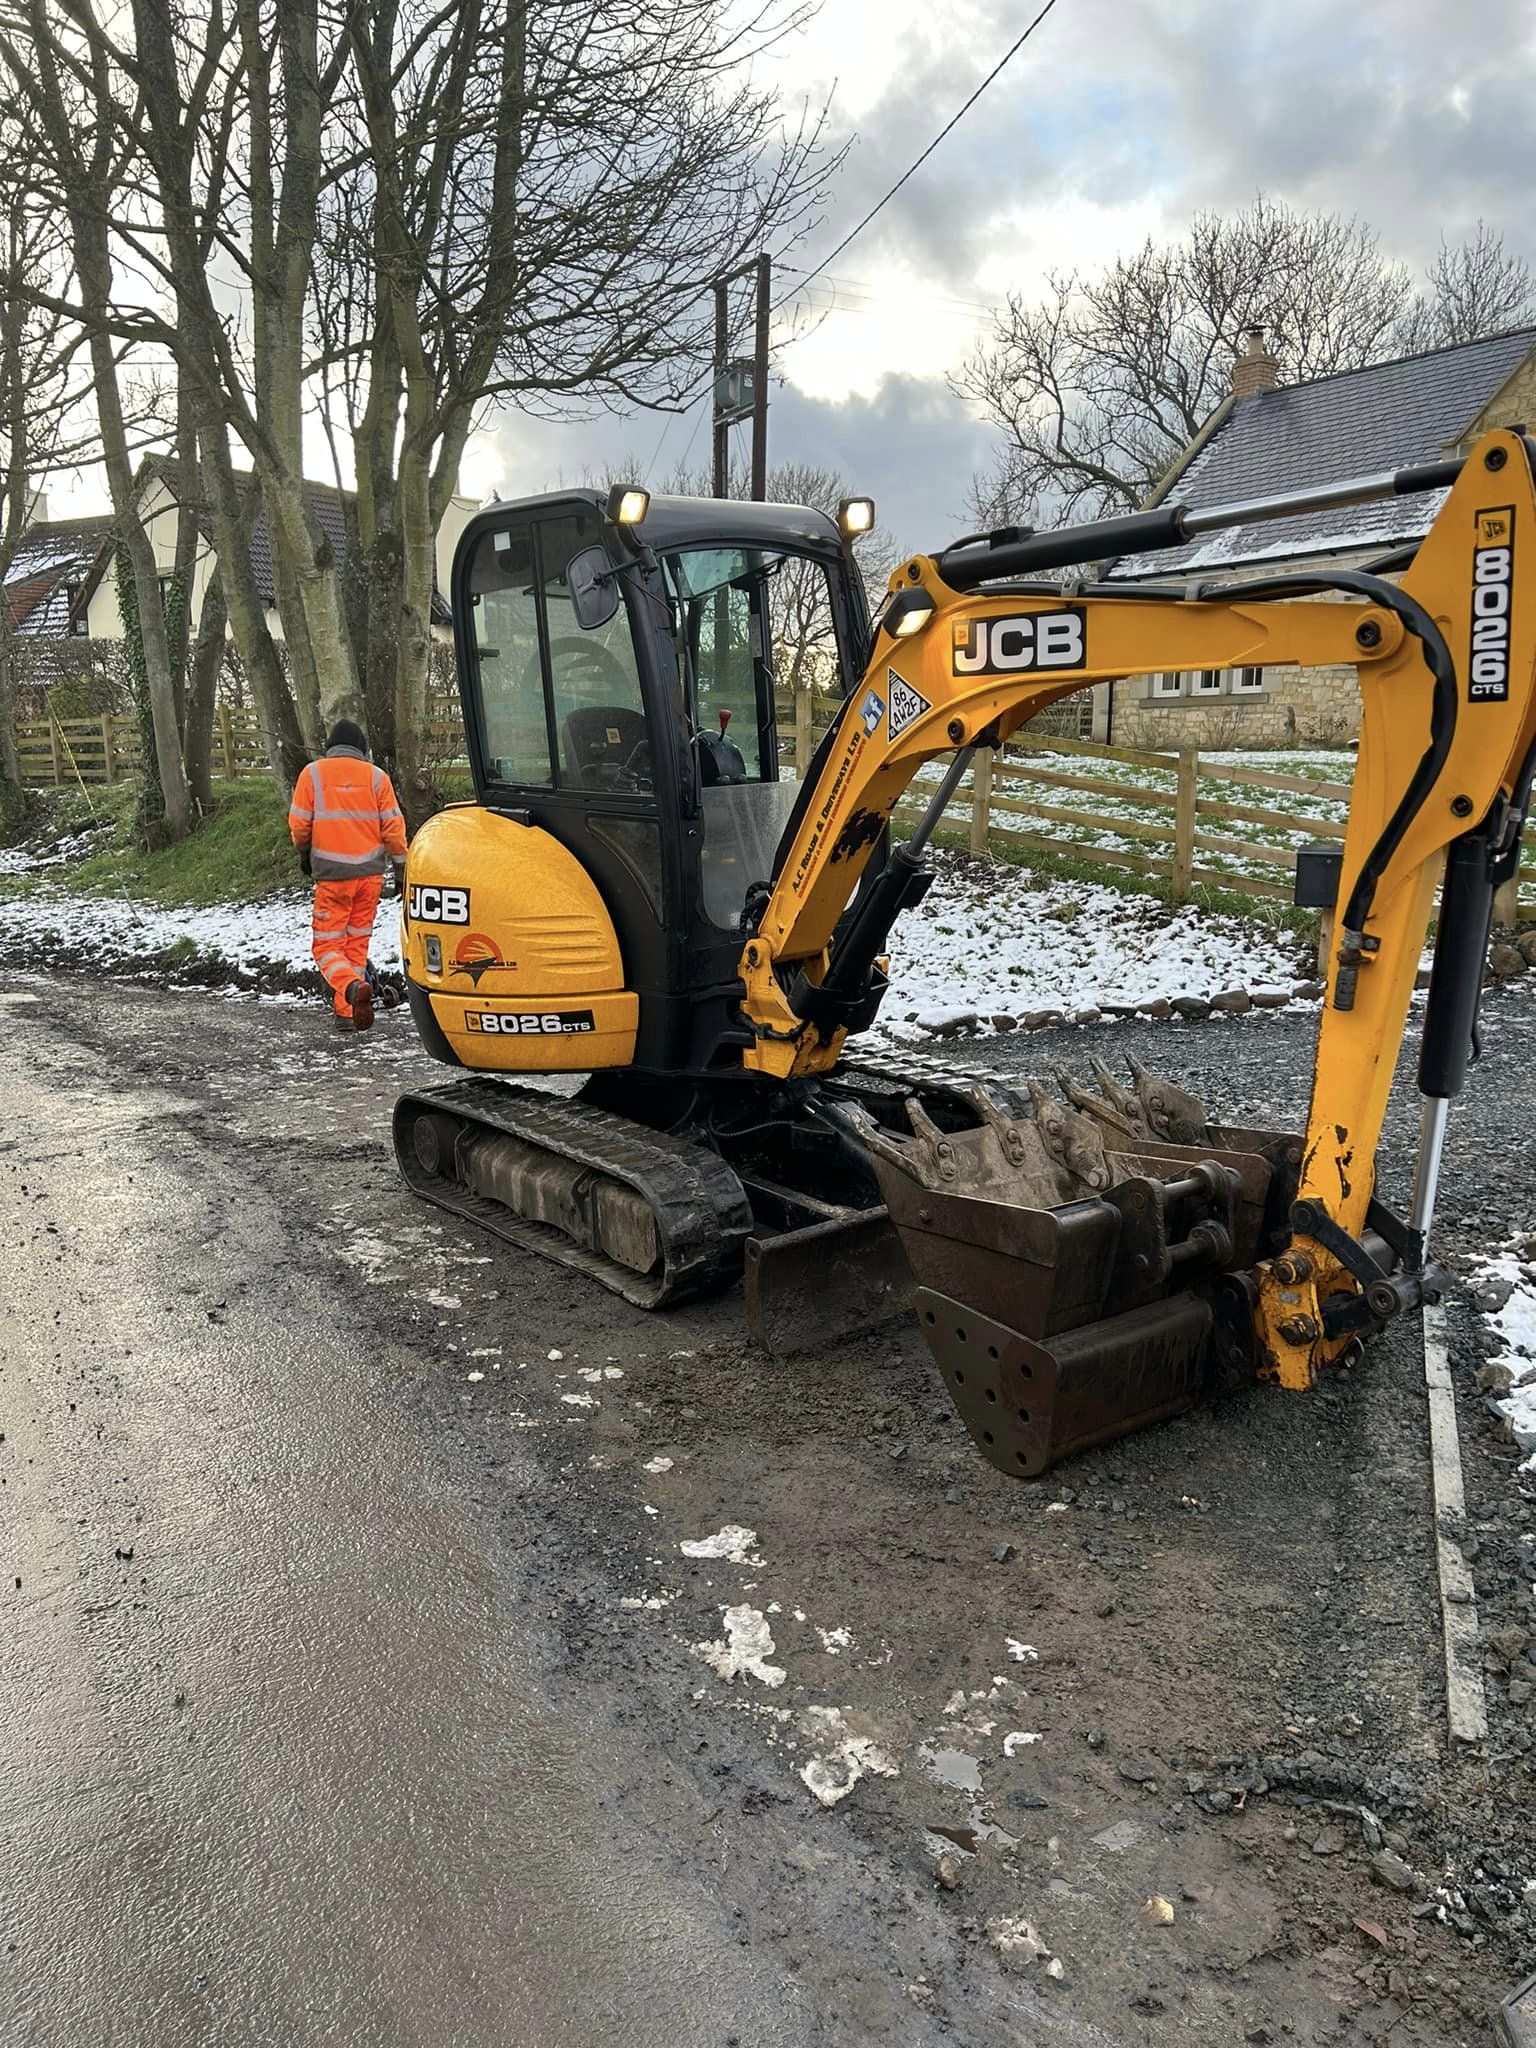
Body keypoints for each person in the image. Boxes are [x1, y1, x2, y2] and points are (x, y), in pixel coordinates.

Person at [287, 719, 408, 1032]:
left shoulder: (312, 774)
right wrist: (400, 868)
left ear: (330, 747)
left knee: (326, 947)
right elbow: (394, 827)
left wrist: (304, 853)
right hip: (370, 878)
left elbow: (300, 824)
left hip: (332, 877)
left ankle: (352, 989)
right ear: (362, 750)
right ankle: (346, 1014)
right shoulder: (377, 777)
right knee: (355, 945)